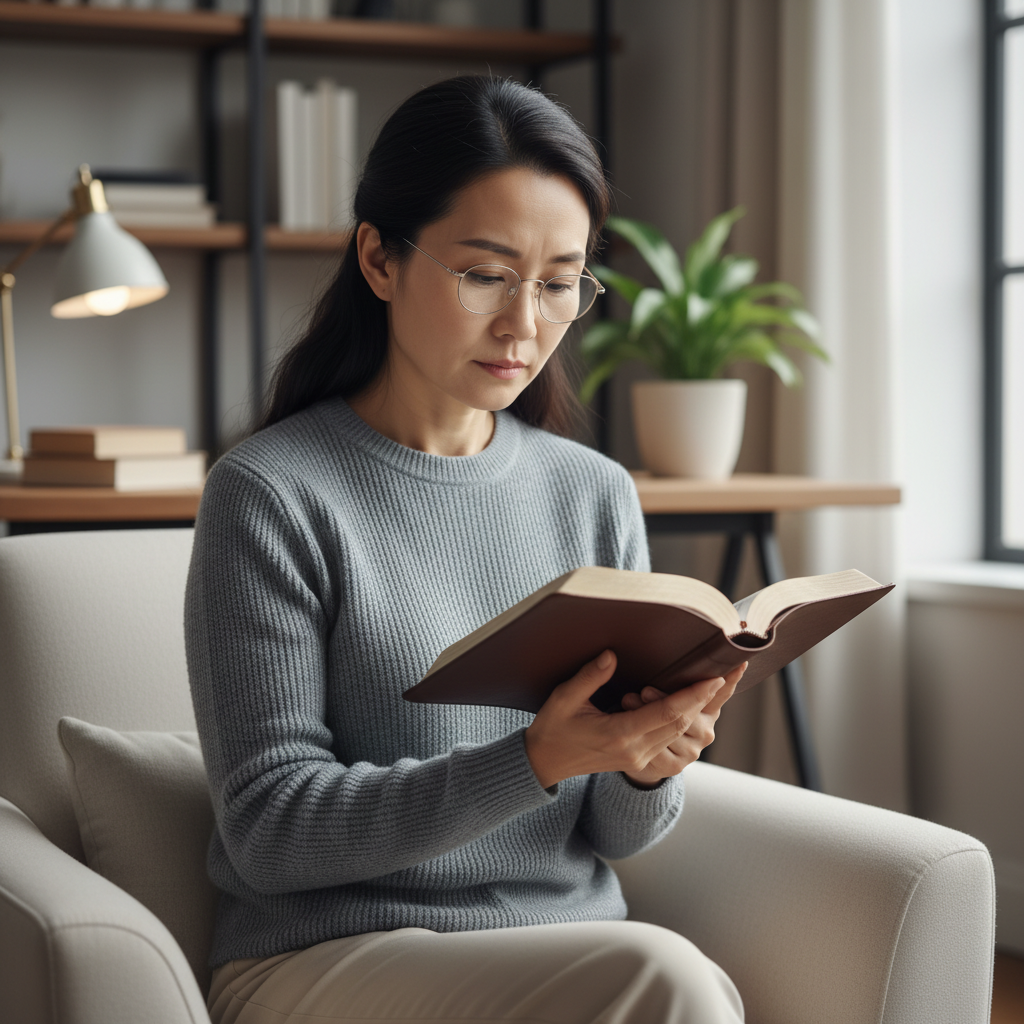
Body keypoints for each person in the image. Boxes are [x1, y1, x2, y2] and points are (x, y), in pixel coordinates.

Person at [185, 74, 746, 1024]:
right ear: (378, 258)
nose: (525, 325)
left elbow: (618, 834)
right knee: (673, 982)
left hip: (565, 944)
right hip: (328, 958)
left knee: (669, 978)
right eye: (484, 273)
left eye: (560, 284)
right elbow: (270, 831)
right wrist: (532, 757)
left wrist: (647, 761)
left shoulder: (592, 491)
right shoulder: (271, 497)